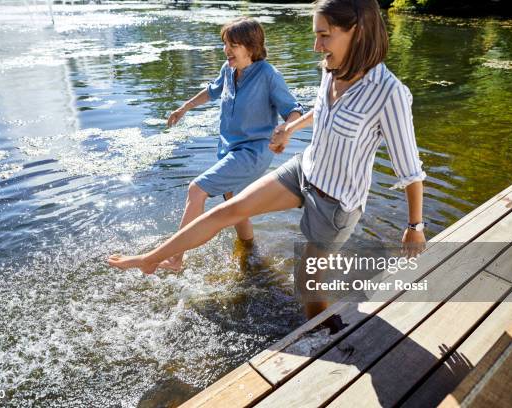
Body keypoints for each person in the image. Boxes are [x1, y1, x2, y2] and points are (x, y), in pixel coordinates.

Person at [109, 0, 426, 321]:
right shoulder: (333, 69)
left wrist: (415, 226)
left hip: (336, 201)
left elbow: (410, 170)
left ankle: (327, 336)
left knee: (307, 284)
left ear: (355, 31)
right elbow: (323, 112)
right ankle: (152, 259)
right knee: (228, 210)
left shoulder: (389, 93)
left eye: (324, 36)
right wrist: (290, 128)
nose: (317, 46)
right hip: (305, 170)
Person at [156, 17, 302, 271]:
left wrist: (286, 129)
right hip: (230, 150)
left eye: (233, 45)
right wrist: (184, 107)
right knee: (235, 205)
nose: (227, 51)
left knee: (196, 190)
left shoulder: (268, 75)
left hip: (252, 152)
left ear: (251, 47)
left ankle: (175, 258)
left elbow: (294, 109)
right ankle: (250, 254)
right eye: (225, 44)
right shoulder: (228, 69)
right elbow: (213, 90)